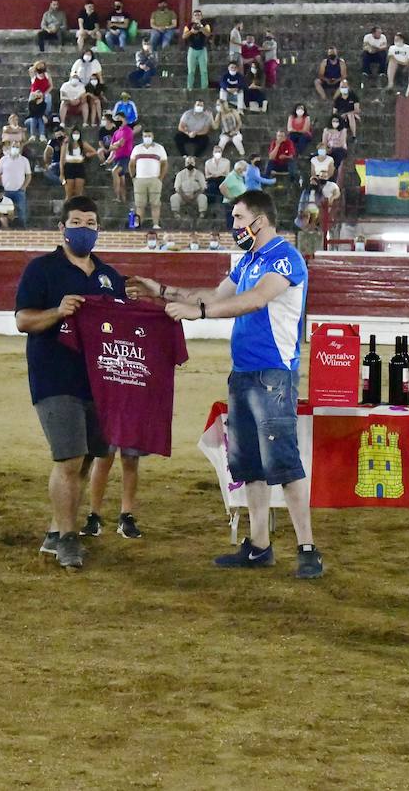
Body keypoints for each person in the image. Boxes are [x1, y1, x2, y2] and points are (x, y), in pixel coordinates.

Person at [129, 190, 320, 576]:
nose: (234, 226)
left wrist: (197, 313)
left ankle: (307, 548)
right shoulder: (250, 259)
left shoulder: (284, 257)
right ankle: (259, 545)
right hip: (246, 373)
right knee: (249, 464)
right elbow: (215, 295)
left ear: (260, 220)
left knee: (283, 463)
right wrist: (161, 291)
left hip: (274, 375)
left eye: (238, 218)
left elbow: (254, 300)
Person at [14, 196, 127, 569]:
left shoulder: (109, 276)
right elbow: (23, 321)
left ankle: (54, 531)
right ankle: (67, 538)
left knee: (87, 456)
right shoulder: (41, 270)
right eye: (76, 222)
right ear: (61, 228)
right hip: (54, 376)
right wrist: (58, 311)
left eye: (91, 223)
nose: (84, 229)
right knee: (70, 457)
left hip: (100, 381)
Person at [129, 129, 167, 229]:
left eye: (149, 136)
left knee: (155, 203)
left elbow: (164, 164)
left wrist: (160, 178)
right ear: (142, 137)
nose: (147, 138)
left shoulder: (159, 148)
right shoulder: (137, 149)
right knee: (140, 204)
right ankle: (139, 224)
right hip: (140, 179)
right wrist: (133, 177)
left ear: (153, 136)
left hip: (154, 179)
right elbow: (131, 164)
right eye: (145, 136)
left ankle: (156, 224)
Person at [0, 144, 31, 226]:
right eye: (14, 146)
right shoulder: (3, 159)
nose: (15, 148)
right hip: (6, 191)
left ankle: (23, 229)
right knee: (4, 212)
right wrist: (1, 187)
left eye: (17, 147)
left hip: (19, 191)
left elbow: (28, 175)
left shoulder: (24, 160)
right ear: (10, 148)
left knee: (22, 211)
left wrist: (23, 187)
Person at [170, 154, 207, 220]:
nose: (190, 164)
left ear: (194, 163)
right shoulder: (180, 174)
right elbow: (177, 188)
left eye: (191, 163)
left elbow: (203, 188)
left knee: (203, 197)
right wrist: (184, 196)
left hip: (195, 196)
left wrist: (194, 196)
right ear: (185, 164)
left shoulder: (199, 174)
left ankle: (202, 215)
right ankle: (176, 215)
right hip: (183, 196)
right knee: (174, 198)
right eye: (188, 163)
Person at [183, 10, 212, 92]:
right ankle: (190, 87)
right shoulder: (188, 26)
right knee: (191, 70)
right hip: (192, 49)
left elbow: (208, 34)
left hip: (202, 49)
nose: (197, 17)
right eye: (195, 15)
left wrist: (201, 28)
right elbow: (184, 36)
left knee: (204, 71)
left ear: (201, 17)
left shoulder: (206, 25)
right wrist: (191, 31)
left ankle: (204, 88)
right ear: (193, 17)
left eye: (199, 15)